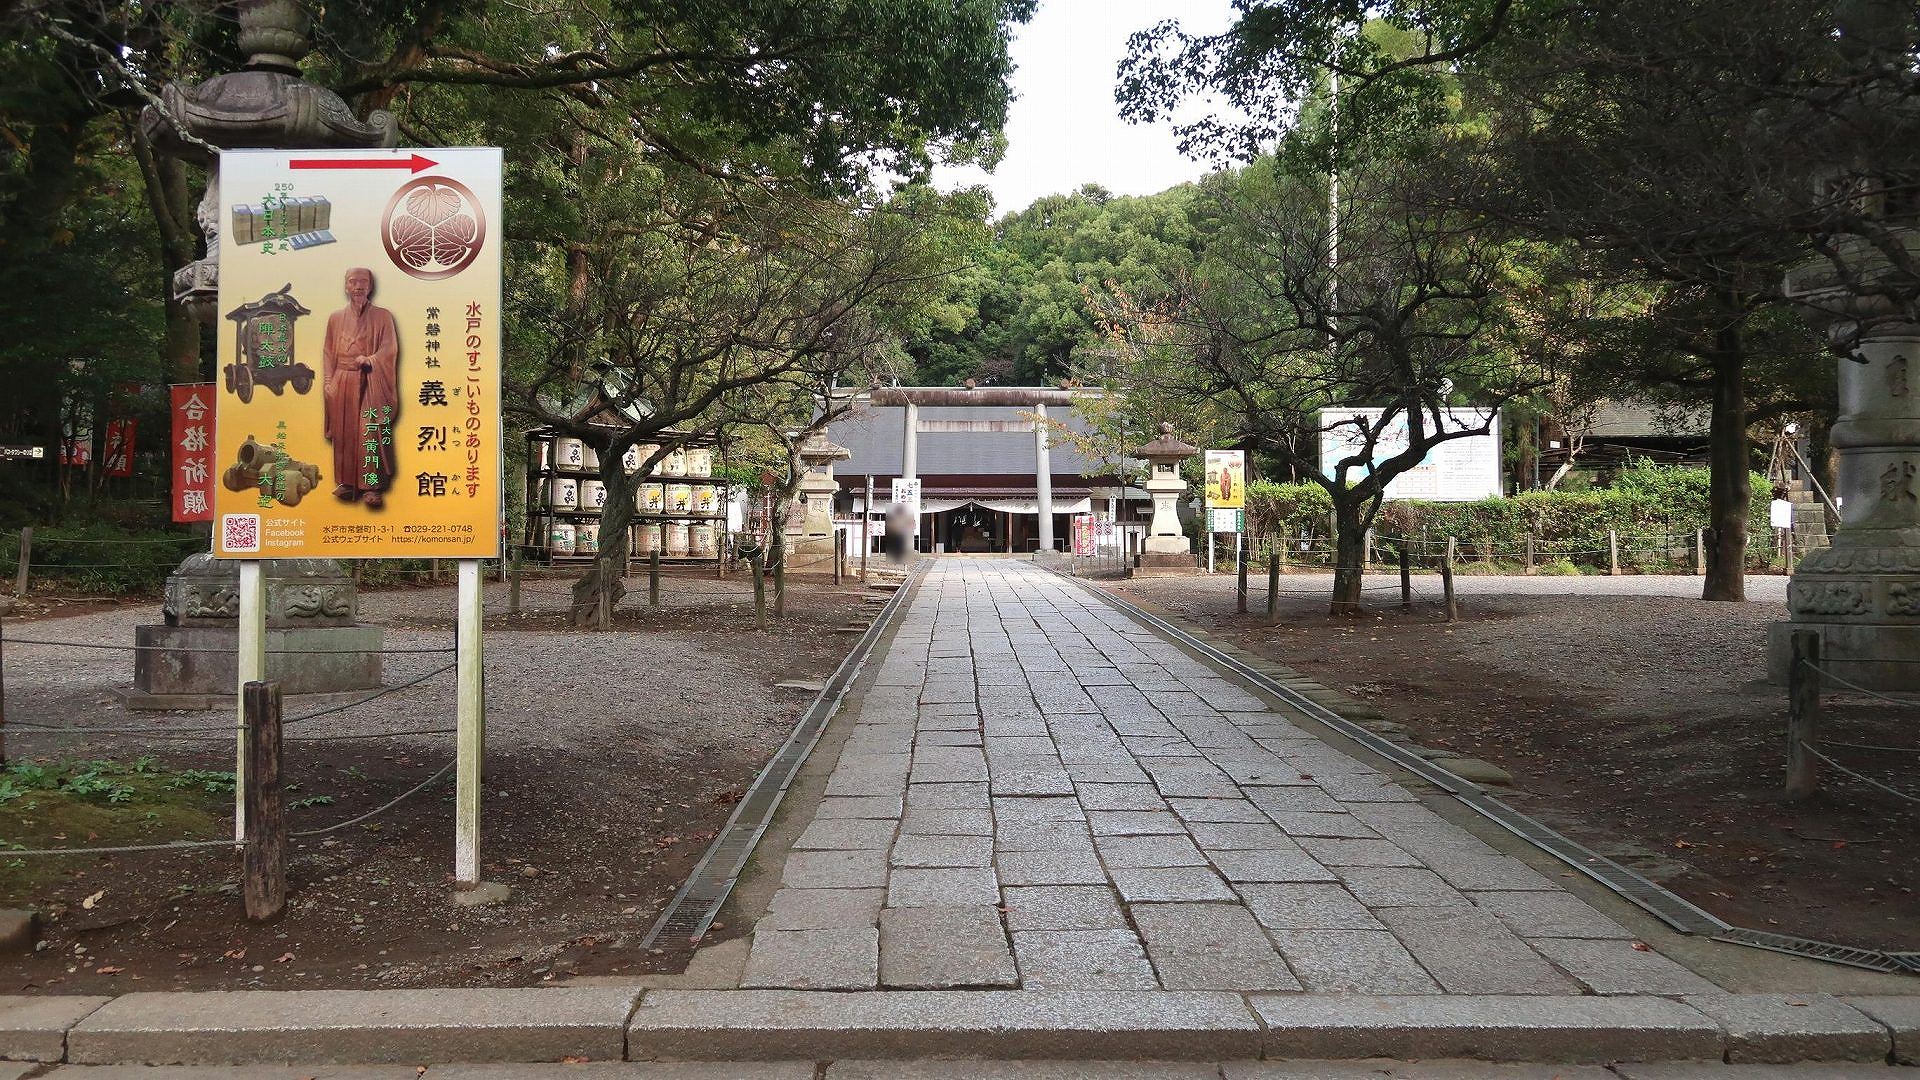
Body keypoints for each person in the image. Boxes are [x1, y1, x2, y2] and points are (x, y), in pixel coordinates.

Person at [322, 267, 400, 507]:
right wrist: (328, 381)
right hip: (342, 380)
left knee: (368, 430)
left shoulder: (383, 316)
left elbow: (389, 349)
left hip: (369, 380)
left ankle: (371, 485)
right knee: (344, 433)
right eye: (353, 282)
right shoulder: (335, 318)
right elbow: (327, 352)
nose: (358, 286)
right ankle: (347, 482)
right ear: (346, 286)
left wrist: (371, 360)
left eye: (363, 282)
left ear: (370, 286)